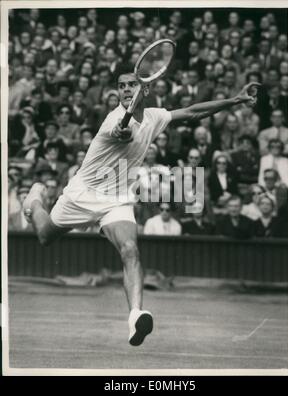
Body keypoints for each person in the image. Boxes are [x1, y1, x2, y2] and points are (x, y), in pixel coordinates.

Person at [23, 66, 259, 346]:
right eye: (121, 86)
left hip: (118, 199)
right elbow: (122, 133)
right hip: (82, 194)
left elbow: (193, 111)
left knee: (130, 249)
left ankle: (135, 315)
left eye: (131, 85)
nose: (125, 89)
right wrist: (123, 130)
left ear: (144, 89)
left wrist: (233, 100)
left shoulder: (155, 116)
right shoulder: (113, 121)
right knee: (45, 235)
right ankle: (34, 198)